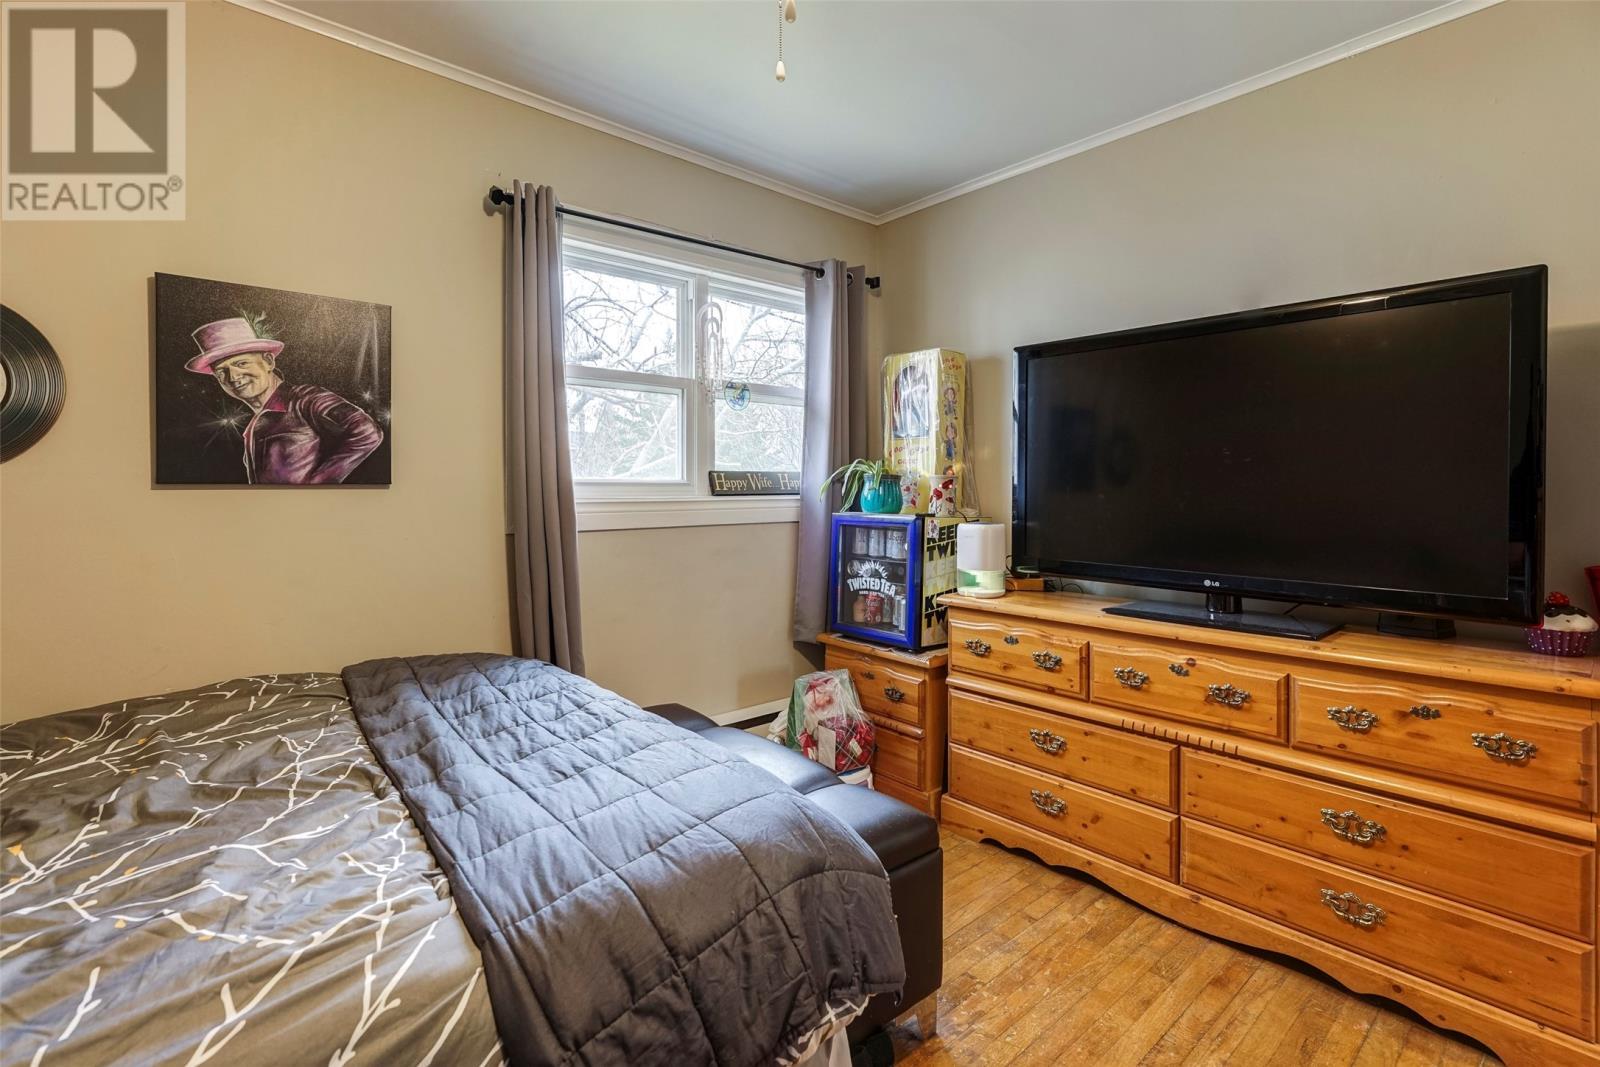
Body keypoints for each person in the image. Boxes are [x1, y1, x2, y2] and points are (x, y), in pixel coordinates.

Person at [185, 317, 382, 484]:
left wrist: (317, 484)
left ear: (268, 361)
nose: (233, 377)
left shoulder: (305, 399)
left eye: (241, 363)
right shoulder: (252, 428)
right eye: (221, 372)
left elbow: (367, 432)